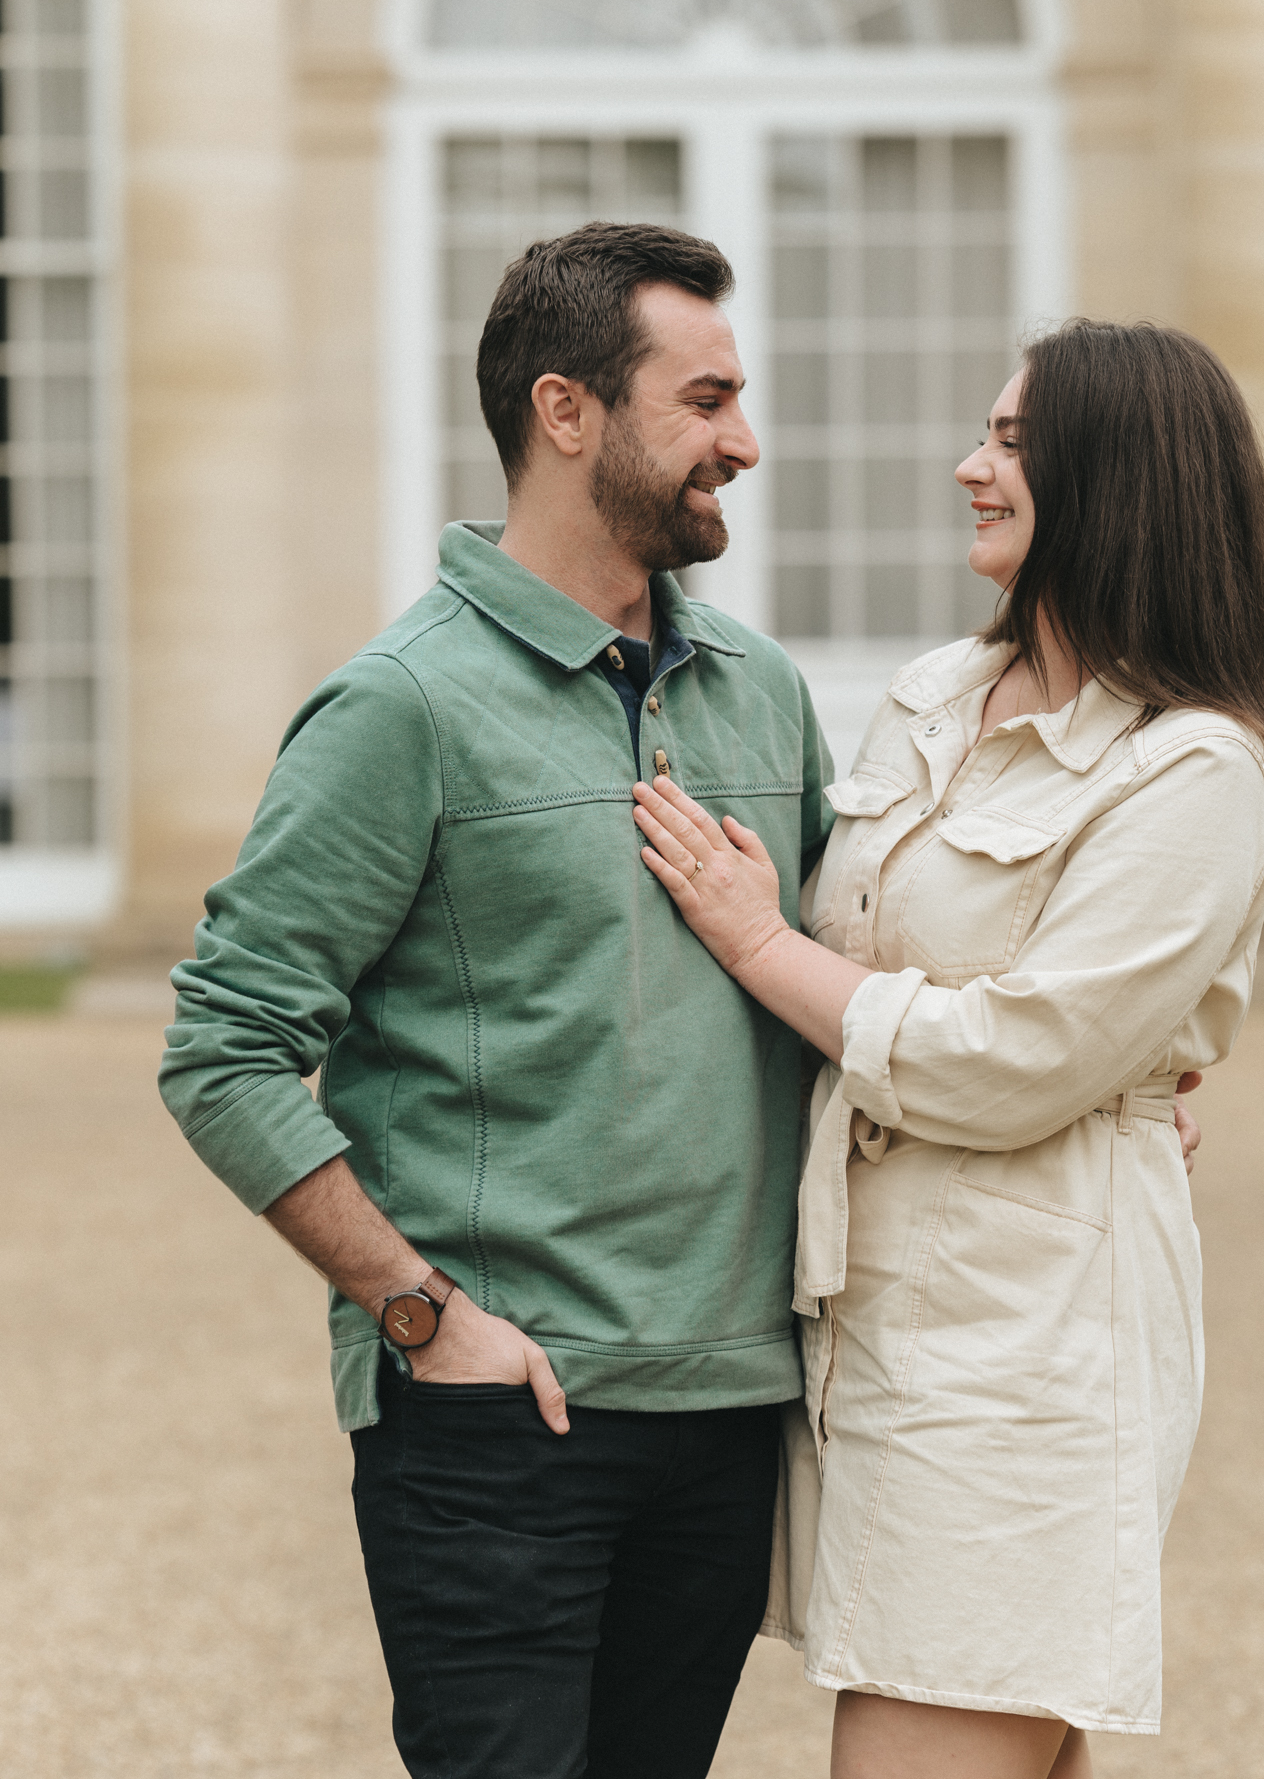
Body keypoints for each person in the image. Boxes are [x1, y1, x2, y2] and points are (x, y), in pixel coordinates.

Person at [158, 222, 837, 1779]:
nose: (745, 440)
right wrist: (417, 1314)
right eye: (708, 397)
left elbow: (847, 976)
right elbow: (225, 1047)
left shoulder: (762, 690)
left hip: (729, 1407)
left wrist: (1088, 1076)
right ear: (566, 410)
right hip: (496, 1423)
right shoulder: (400, 708)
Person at [630, 319, 1264, 1779]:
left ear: (1115, 481)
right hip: (869, 1324)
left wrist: (758, 943)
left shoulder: (1196, 766)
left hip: (1026, 1344)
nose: (966, 468)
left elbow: (1010, 1061)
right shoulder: (937, 691)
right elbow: (897, 978)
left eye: (1007, 444)